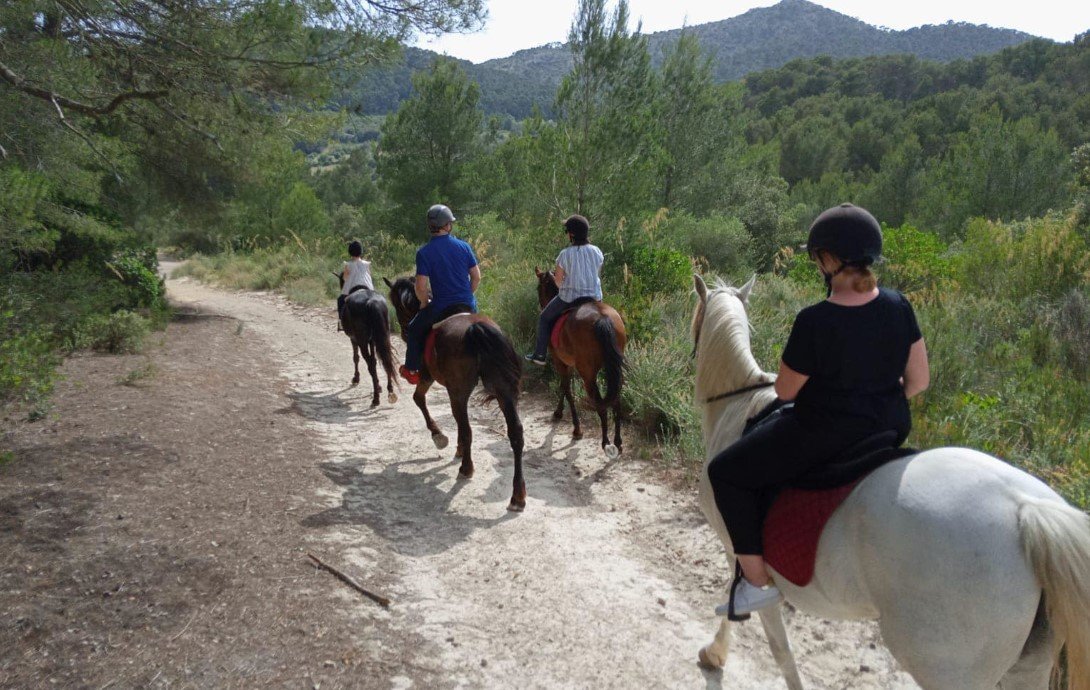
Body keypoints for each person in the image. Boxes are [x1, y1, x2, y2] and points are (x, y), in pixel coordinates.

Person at [707, 203, 930, 617]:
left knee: (725, 472)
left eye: (817, 259)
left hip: (822, 434)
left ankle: (756, 583)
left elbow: (786, 390)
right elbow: (918, 381)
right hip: (886, 430)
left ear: (829, 260)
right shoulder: (900, 306)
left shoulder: (815, 320)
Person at [399, 204, 481, 385]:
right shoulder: (464, 246)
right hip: (468, 304)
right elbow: (476, 277)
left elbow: (420, 287)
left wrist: (424, 303)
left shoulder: (424, 252)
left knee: (413, 329)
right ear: (447, 225)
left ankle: (412, 369)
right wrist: (467, 295)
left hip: (440, 307)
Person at [524, 214, 604, 366]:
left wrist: (563, 280)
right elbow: (596, 274)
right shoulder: (597, 251)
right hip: (594, 297)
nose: (566, 234)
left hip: (570, 298)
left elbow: (559, 283)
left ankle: (540, 354)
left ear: (572, 234)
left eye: (566, 231)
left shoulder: (564, 254)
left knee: (544, 318)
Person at [338, 240, 374, 321]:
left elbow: (345, 278)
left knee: (340, 300)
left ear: (350, 252)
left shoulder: (348, 265)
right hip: (368, 287)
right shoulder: (366, 264)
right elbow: (369, 275)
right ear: (360, 252)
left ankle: (341, 322)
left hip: (352, 286)